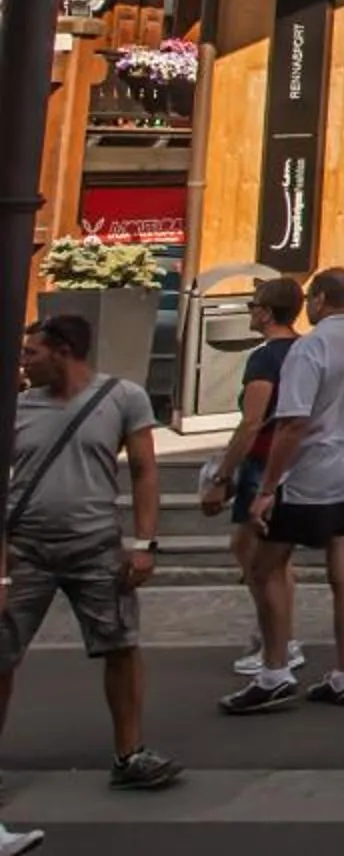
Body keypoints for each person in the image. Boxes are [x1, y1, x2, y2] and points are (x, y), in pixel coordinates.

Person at [0, 313, 180, 792]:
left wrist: (144, 544)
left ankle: (130, 754)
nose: (24, 362)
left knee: (120, 647)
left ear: (63, 352)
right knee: (1, 653)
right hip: (26, 550)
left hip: (96, 546)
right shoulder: (17, 407)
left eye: (32, 353)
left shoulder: (123, 398)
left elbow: (144, 471)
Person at [224, 267, 344, 715]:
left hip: (311, 472)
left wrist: (267, 488)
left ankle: (275, 669)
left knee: (266, 565)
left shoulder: (312, 346)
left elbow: (292, 423)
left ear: (320, 299)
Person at [199, 278, 307, 678]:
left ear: (265, 312)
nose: (249, 311)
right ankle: (279, 638)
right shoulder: (307, 349)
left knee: (255, 555)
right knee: (270, 555)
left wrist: (223, 474)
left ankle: (278, 643)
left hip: (263, 461)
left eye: (252, 305)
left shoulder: (264, 359)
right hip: (298, 460)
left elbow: (252, 422)